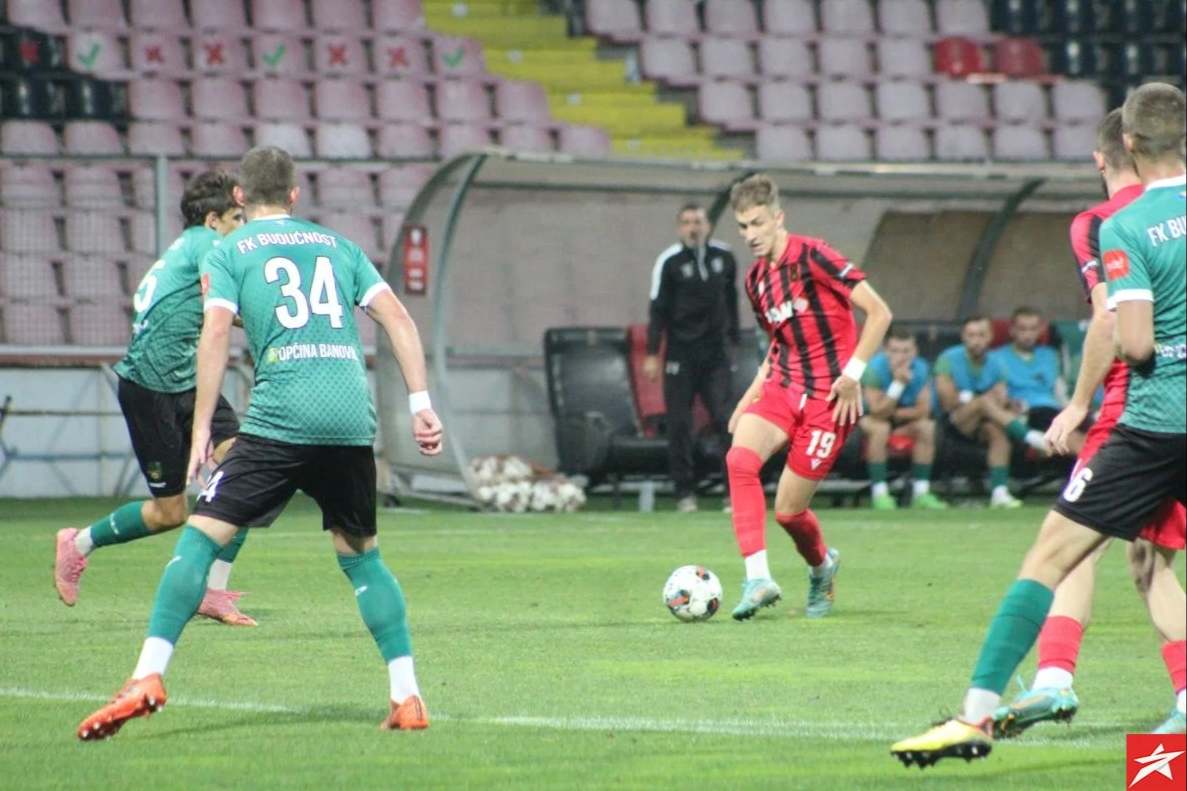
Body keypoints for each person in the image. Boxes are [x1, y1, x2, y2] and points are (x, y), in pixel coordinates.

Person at [75, 146, 445, 740]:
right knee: (362, 559)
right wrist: (421, 404)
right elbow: (398, 318)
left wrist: (201, 426)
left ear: (240, 197)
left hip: (278, 422)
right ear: (295, 195)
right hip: (350, 421)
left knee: (198, 539)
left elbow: (216, 331)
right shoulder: (339, 246)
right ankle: (408, 695)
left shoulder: (229, 250)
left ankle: (147, 677)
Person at [891, 81, 1187, 768]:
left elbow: (1131, 339)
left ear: (1128, 144)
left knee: (1050, 556)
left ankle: (975, 715)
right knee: (1149, 564)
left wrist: (1081, 403)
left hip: (1150, 425)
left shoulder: (1122, 224)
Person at [993, 107, 1187, 738]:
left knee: (1067, 546)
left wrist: (1077, 404)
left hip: (1139, 412)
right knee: (1148, 562)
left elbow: (1111, 321)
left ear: (1105, 157)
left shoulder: (1103, 222)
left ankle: (1049, 680)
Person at [53, 171, 256, 626]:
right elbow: (228, 309)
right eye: (237, 218)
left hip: (185, 380)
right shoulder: (207, 245)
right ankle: (78, 543)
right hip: (150, 389)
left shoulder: (187, 248)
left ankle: (212, 593)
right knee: (169, 513)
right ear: (213, 220)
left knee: (246, 470)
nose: (242, 227)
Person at [723, 174, 892, 621]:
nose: (750, 235)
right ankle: (757, 578)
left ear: (778, 218)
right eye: (743, 226)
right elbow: (778, 344)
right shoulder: (756, 281)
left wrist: (853, 375)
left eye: (758, 223)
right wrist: (749, 396)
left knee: (789, 513)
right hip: (783, 386)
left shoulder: (815, 255)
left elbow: (880, 313)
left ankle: (822, 567)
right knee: (739, 461)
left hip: (829, 401)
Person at [644, 203, 740, 513]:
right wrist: (652, 353)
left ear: (708, 226)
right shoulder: (669, 261)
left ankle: (733, 493)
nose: (693, 227)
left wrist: (734, 342)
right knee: (680, 423)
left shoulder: (725, 257)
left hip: (716, 354)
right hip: (681, 354)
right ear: (679, 228)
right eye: (686, 222)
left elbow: (732, 301)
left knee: (726, 420)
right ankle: (684, 493)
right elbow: (657, 309)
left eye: (698, 221)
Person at [933, 316, 1049, 509]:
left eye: (981, 335)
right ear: (963, 337)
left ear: (990, 337)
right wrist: (976, 398)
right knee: (983, 402)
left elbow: (1001, 399)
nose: (976, 340)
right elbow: (948, 401)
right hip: (954, 422)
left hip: (986, 420)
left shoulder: (997, 363)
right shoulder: (948, 359)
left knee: (998, 433)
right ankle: (1029, 436)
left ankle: (999, 493)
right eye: (971, 335)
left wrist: (967, 396)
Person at [859, 326, 946, 510]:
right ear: (885, 351)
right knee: (880, 428)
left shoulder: (921, 368)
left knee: (927, 427)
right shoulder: (873, 368)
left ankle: (921, 494)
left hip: (903, 423)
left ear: (915, 351)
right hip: (869, 423)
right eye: (895, 351)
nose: (901, 357)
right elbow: (876, 411)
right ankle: (880, 494)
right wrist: (898, 384)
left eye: (906, 351)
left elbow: (924, 410)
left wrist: (893, 412)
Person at [991, 306, 1084, 453]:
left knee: (1092, 428)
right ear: (1012, 330)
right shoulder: (996, 357)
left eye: (1033, 329)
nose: (1028, 334)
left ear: (1040, 330)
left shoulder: (1050, 355)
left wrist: (1073, 409)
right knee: (1073, 439)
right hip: (1029, 411)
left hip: (1056, 408)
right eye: (1022, 329)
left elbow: (1059, 389)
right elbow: (997, 393)